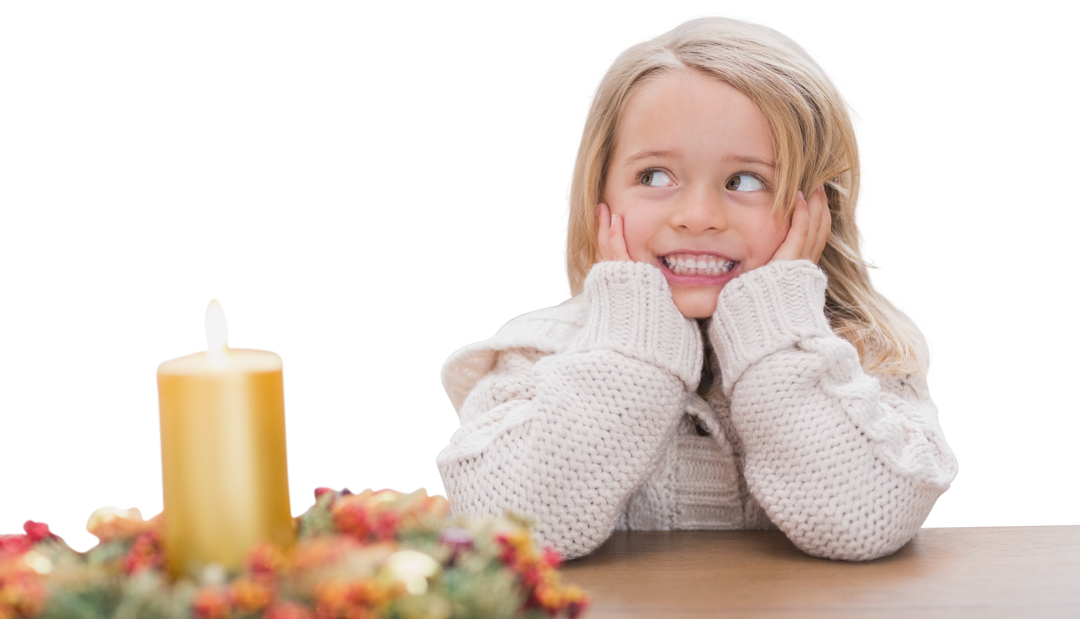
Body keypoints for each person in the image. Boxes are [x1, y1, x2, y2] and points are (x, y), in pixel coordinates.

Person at [433, 10, 960, 562]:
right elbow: (509, 531)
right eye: (655, 176)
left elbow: (865, 524)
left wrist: (779, 333)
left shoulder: (864, 354)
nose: (698, 215)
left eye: (746, 181)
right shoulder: (535, 354)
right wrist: (630, 349)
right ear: (599, 194)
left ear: (817, 207)